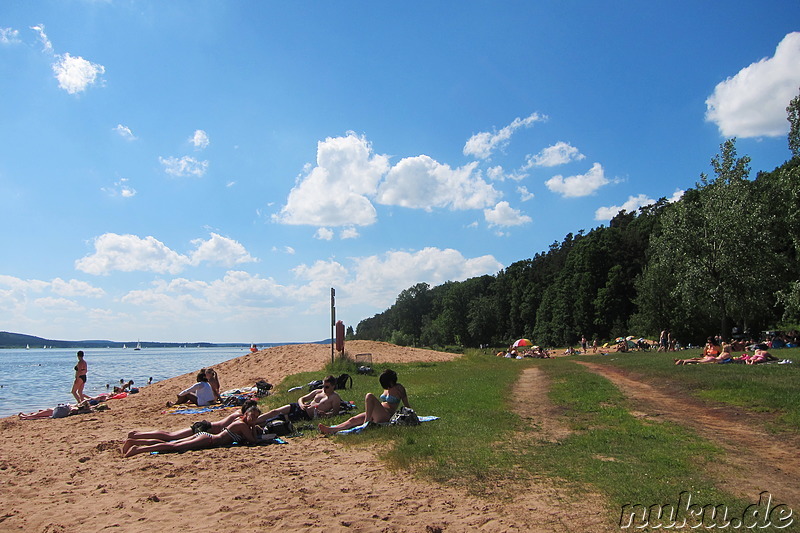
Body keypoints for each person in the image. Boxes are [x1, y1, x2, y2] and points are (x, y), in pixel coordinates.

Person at [123, 406, 263, 457]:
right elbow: (253, 441)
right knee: (173, 445)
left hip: (206, 435)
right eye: (252, 416)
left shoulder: (240, 421)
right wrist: (253, 426)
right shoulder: (242, 425)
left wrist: (252, 425)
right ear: (246, 414)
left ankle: (136, 442)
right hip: (208, 439)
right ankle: (138, 449)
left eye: (256, 417)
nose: (254, 419)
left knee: (172, 441)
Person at [318, 369, 409, 435]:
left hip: (386, 414)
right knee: (353, 420)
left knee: (369, 396)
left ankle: (366, 423)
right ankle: (331, 429)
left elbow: (407, 405)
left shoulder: (399, 388)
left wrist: (411, 415)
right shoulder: (386, 388)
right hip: (376, 412)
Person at [125, 399, 259, 443]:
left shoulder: (239, 415)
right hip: (205, 429)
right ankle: (137, 438)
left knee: (170, 435)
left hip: (205, 425)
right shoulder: (238, 416)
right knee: (171, 438)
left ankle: (137, 435)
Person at [257, 375, 342, 424]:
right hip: (298, 406)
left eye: (327, 387)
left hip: (305, 415)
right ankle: (254, 420)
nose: (324, 388)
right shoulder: (318, 391)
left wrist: (325, 415)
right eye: (323, 386)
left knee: (279, 418)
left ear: (333, 386)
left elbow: (335, 413)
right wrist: (301, 404)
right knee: (274, 412)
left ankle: (255, 425)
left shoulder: (335, 397)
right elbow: (302, 398)